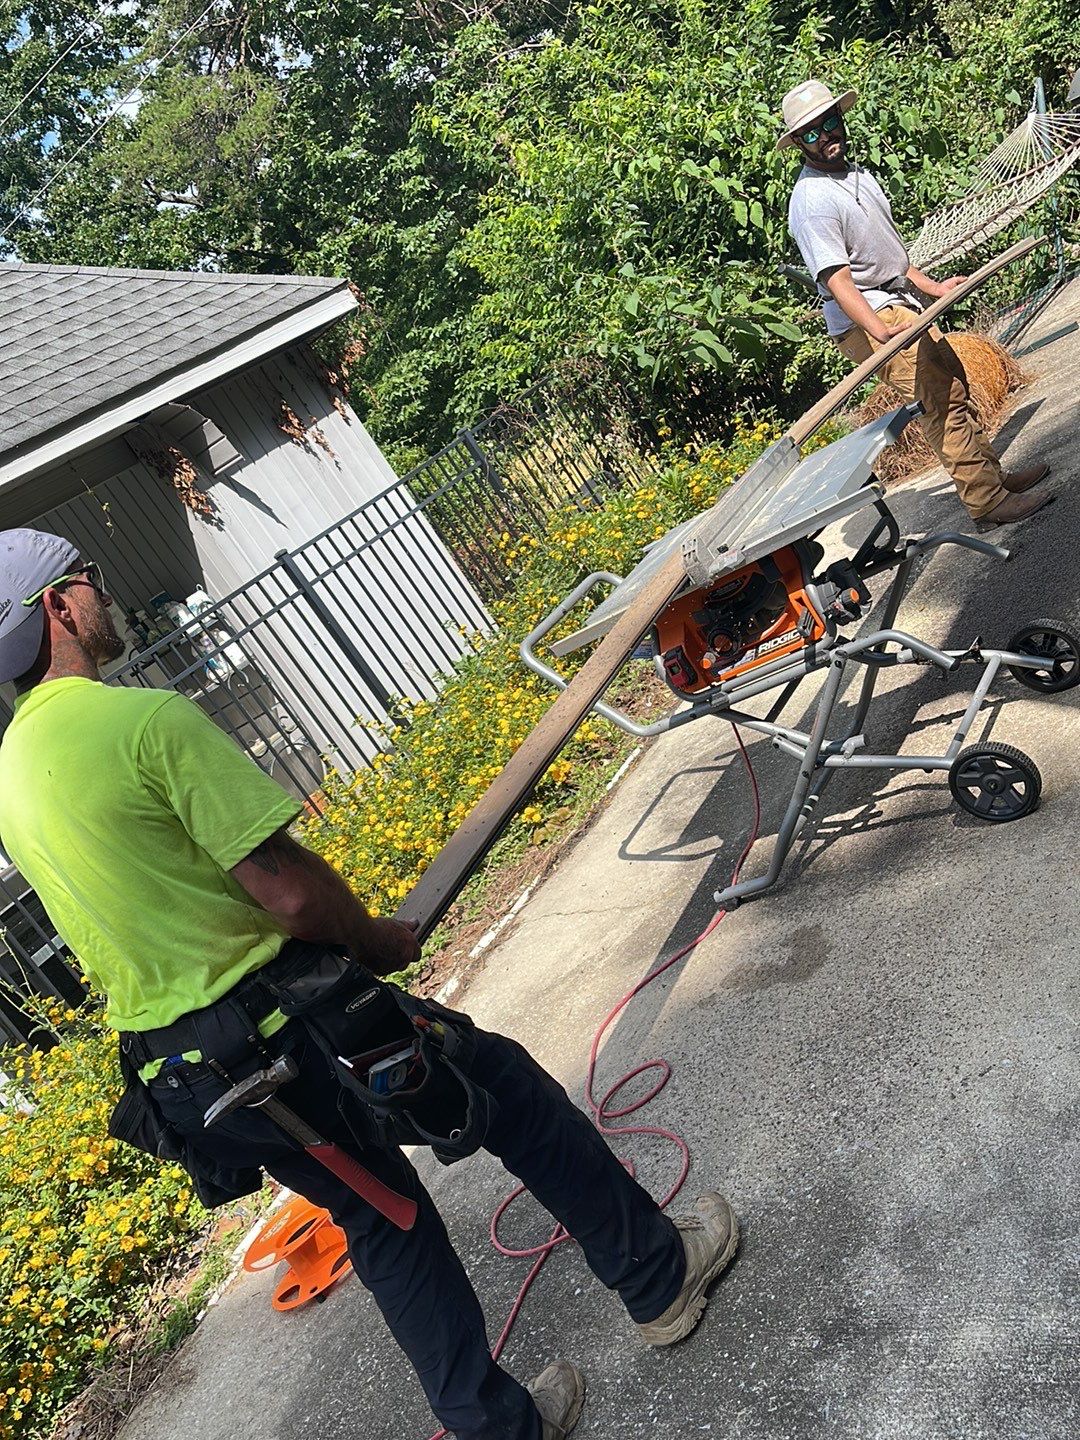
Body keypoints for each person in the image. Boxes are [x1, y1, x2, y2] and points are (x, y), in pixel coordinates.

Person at [0, 527, 740, 1440]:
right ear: (57, 605)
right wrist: (374, 941)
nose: (103, 594)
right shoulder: (140, 723)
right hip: (286, 1028)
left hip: (186, 1077)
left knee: (381, 1214)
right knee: (507, 1093)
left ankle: (495, 1428)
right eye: (89, 580)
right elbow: (290, 895)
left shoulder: (10, 777)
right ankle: (661, 1279)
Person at [779, 79, 1052, 528]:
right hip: (869, 317)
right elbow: (836, 279)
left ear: (840, 119)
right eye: (811, 132)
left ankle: (993, 478)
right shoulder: (812, 201)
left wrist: (933, 287)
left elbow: (891, 257)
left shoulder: (857, 176)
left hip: (895, 302)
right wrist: (879, 330)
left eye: (829, 123)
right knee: (939, 402)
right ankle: (987, 502)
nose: (825, 135)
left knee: (955, 385)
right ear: (799, 144)